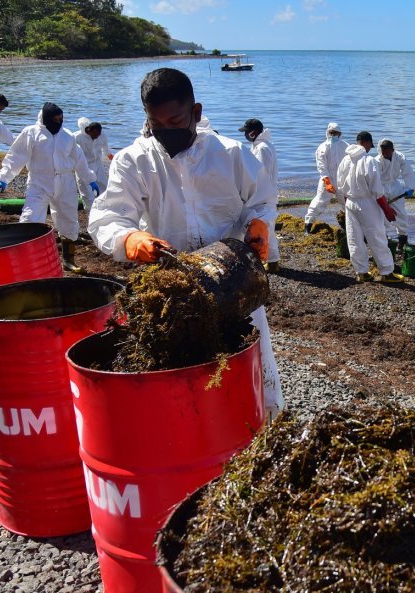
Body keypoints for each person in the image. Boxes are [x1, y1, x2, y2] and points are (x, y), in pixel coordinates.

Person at [87, 67, 284, 417]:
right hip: (170, 289)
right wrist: (129, 238)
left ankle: (260, 426)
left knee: (252, 373)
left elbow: (263, 198)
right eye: (155, 123)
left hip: (233, 281)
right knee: (179, 382)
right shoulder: (134, 161)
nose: (165, 131)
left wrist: (260, 223)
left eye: (174, 121)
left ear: (196, 113)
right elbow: (107, 217)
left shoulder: (230, 153)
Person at [0, 103, 97, 273]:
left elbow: (79, 159)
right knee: (31, 218)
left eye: (61, 119)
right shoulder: (31, 133)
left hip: (65, 181)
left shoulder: (67, 136)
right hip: (39, 182)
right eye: (56, 119)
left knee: (69, 218)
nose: (59, 122)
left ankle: (68, 260)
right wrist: (4, 178)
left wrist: (89, 179)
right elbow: (16, 156)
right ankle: (26, 259)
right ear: (47, 119)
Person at [336, 131, 404, 283]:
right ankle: (386, 272)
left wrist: (347, 203)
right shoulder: (369, 161)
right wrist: (387, 210)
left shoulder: (345, 160)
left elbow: (340, 186)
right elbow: (377, 191)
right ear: (366, 143)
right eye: (369, 146)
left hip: (350, 202)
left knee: (354, 238)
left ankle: (361, 272)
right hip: (367, 203)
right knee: (377, 236)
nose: (369, 149)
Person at [239, 118, 281, 273]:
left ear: (253, 132)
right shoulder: (264, 145)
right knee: (267, 228)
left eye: (246, 132)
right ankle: (272, 262)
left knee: (264, 227)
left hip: (263, 194)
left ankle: (271, 262)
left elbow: (259, 172)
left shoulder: (262, 148)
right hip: (266, 193)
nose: (245, 135)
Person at [303, 122, 348, 233]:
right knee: (319, 202)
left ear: (340, 134)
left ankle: (352, 227)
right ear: (328, 133)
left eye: (336, 133)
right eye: (331, 133)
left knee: (347, 203)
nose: (334, 135)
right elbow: (321, 166)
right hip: (327, 179)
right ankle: (308, 225)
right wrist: (327, 181)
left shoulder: (346, 146)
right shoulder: (323, 147)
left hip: (342, 179)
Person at [376, 138, 415, 252]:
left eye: (387, 151)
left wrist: (411, 187)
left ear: (393, 150)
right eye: (383, 151)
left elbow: (407, 172)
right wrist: (378, 194)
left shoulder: (399, 157)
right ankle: (384, 239)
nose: (385, 153)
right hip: (381, 187)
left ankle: (402, 238)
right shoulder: (377, 161)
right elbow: (374, 178)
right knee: (382, 214)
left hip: (395, 187)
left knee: (400, 213)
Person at [73, 118, 112, 213]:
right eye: (94, 135)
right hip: (83, 167)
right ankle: (90, 215)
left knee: (105, 188)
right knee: (87, 195)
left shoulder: (102, 135)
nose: (96, 137)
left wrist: (114, 162)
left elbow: (107, 151)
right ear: (89, 131)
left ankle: (104, 211)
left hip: (98, 165)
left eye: (98, 135)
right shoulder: (76, 137)